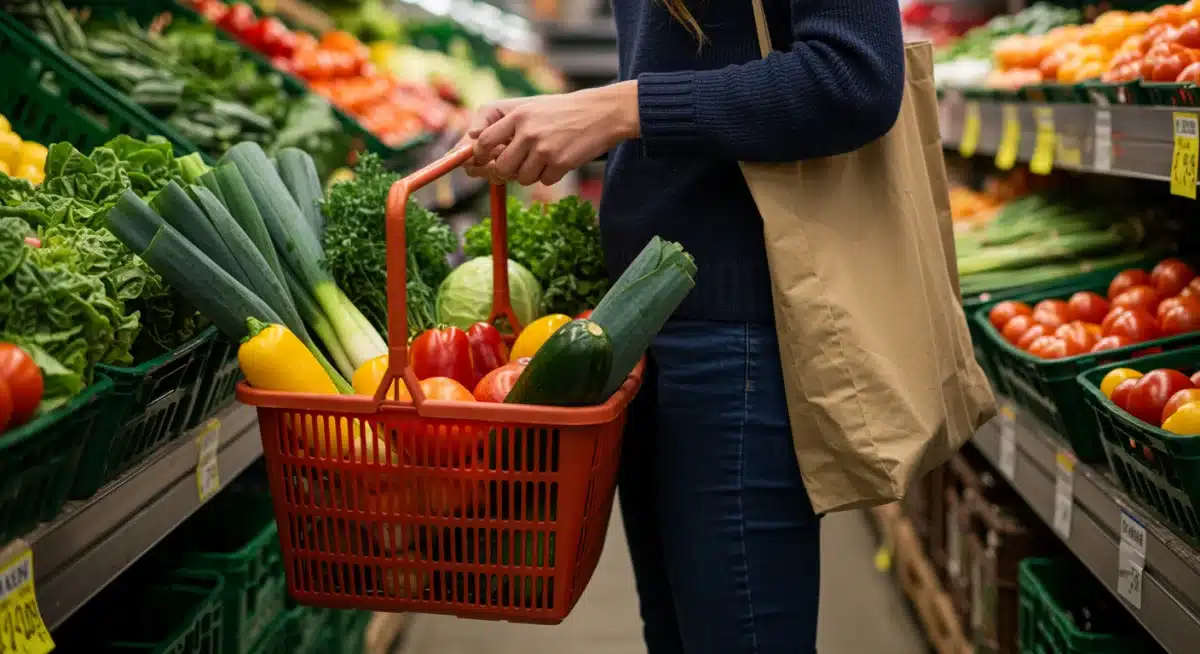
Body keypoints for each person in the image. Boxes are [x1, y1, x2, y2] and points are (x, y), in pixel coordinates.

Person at [463, 0, 905, 649]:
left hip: (739, 327)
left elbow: (854, 76)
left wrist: (618, 110)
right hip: (645, 315)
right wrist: (571, 118)